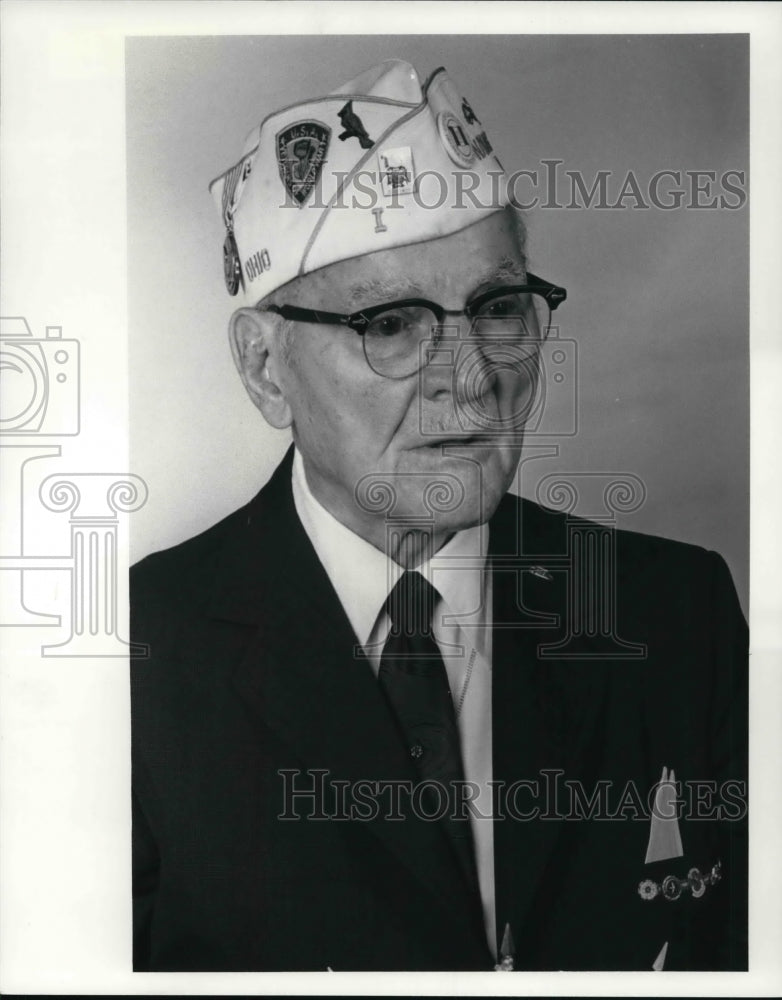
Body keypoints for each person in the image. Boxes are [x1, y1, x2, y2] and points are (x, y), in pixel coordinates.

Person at [130, 59, 747, 972]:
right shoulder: (137, 652)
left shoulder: (676, 611)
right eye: (390, 323)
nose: (470, 377)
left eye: (498, 308)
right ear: (266, 368)